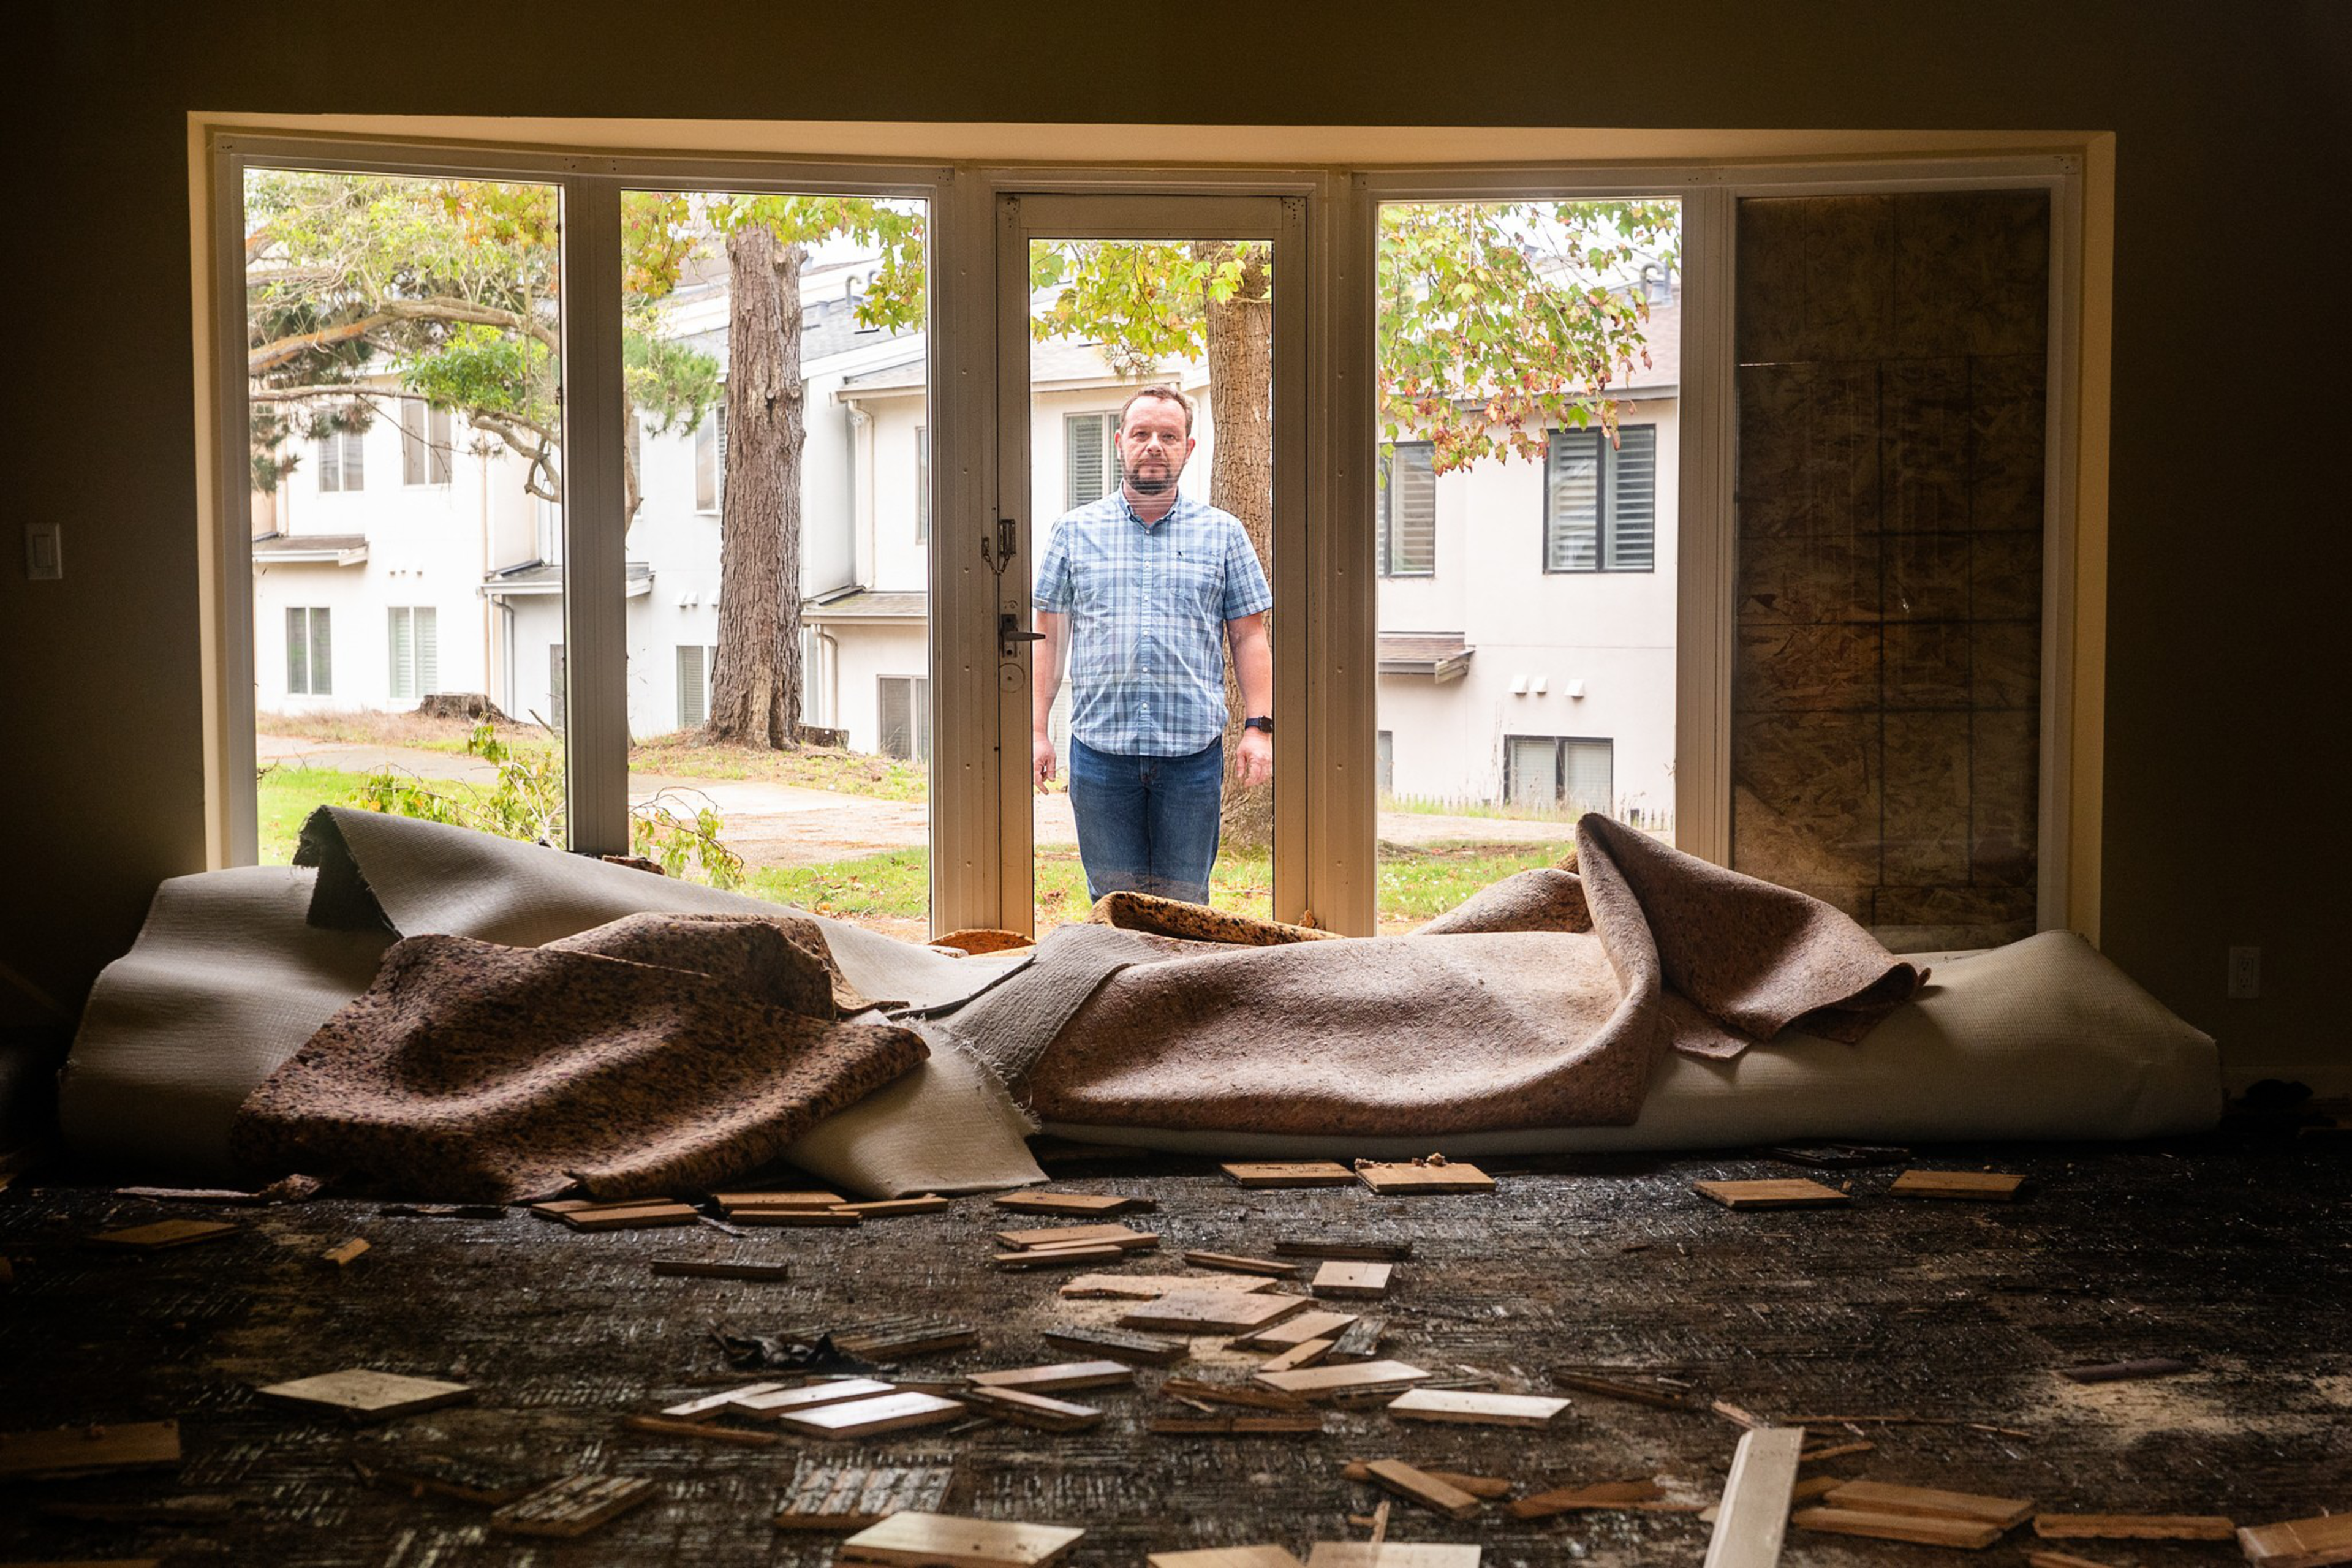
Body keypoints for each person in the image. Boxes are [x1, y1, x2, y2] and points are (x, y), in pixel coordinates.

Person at [1032, 384, 1272, 906]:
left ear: (1188, 448)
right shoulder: (1073, 533)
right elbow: (1048, 636)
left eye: (1168, 435)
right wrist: (1036, 731)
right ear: (1119, 442)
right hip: (1101, 755)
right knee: (1112, 905)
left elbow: (1249, 635)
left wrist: (1259, 727)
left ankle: (1179, 989)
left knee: (1187, 907)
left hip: (1192, 756)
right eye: (1141, 434)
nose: (1153, 446)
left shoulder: (1224, 534)